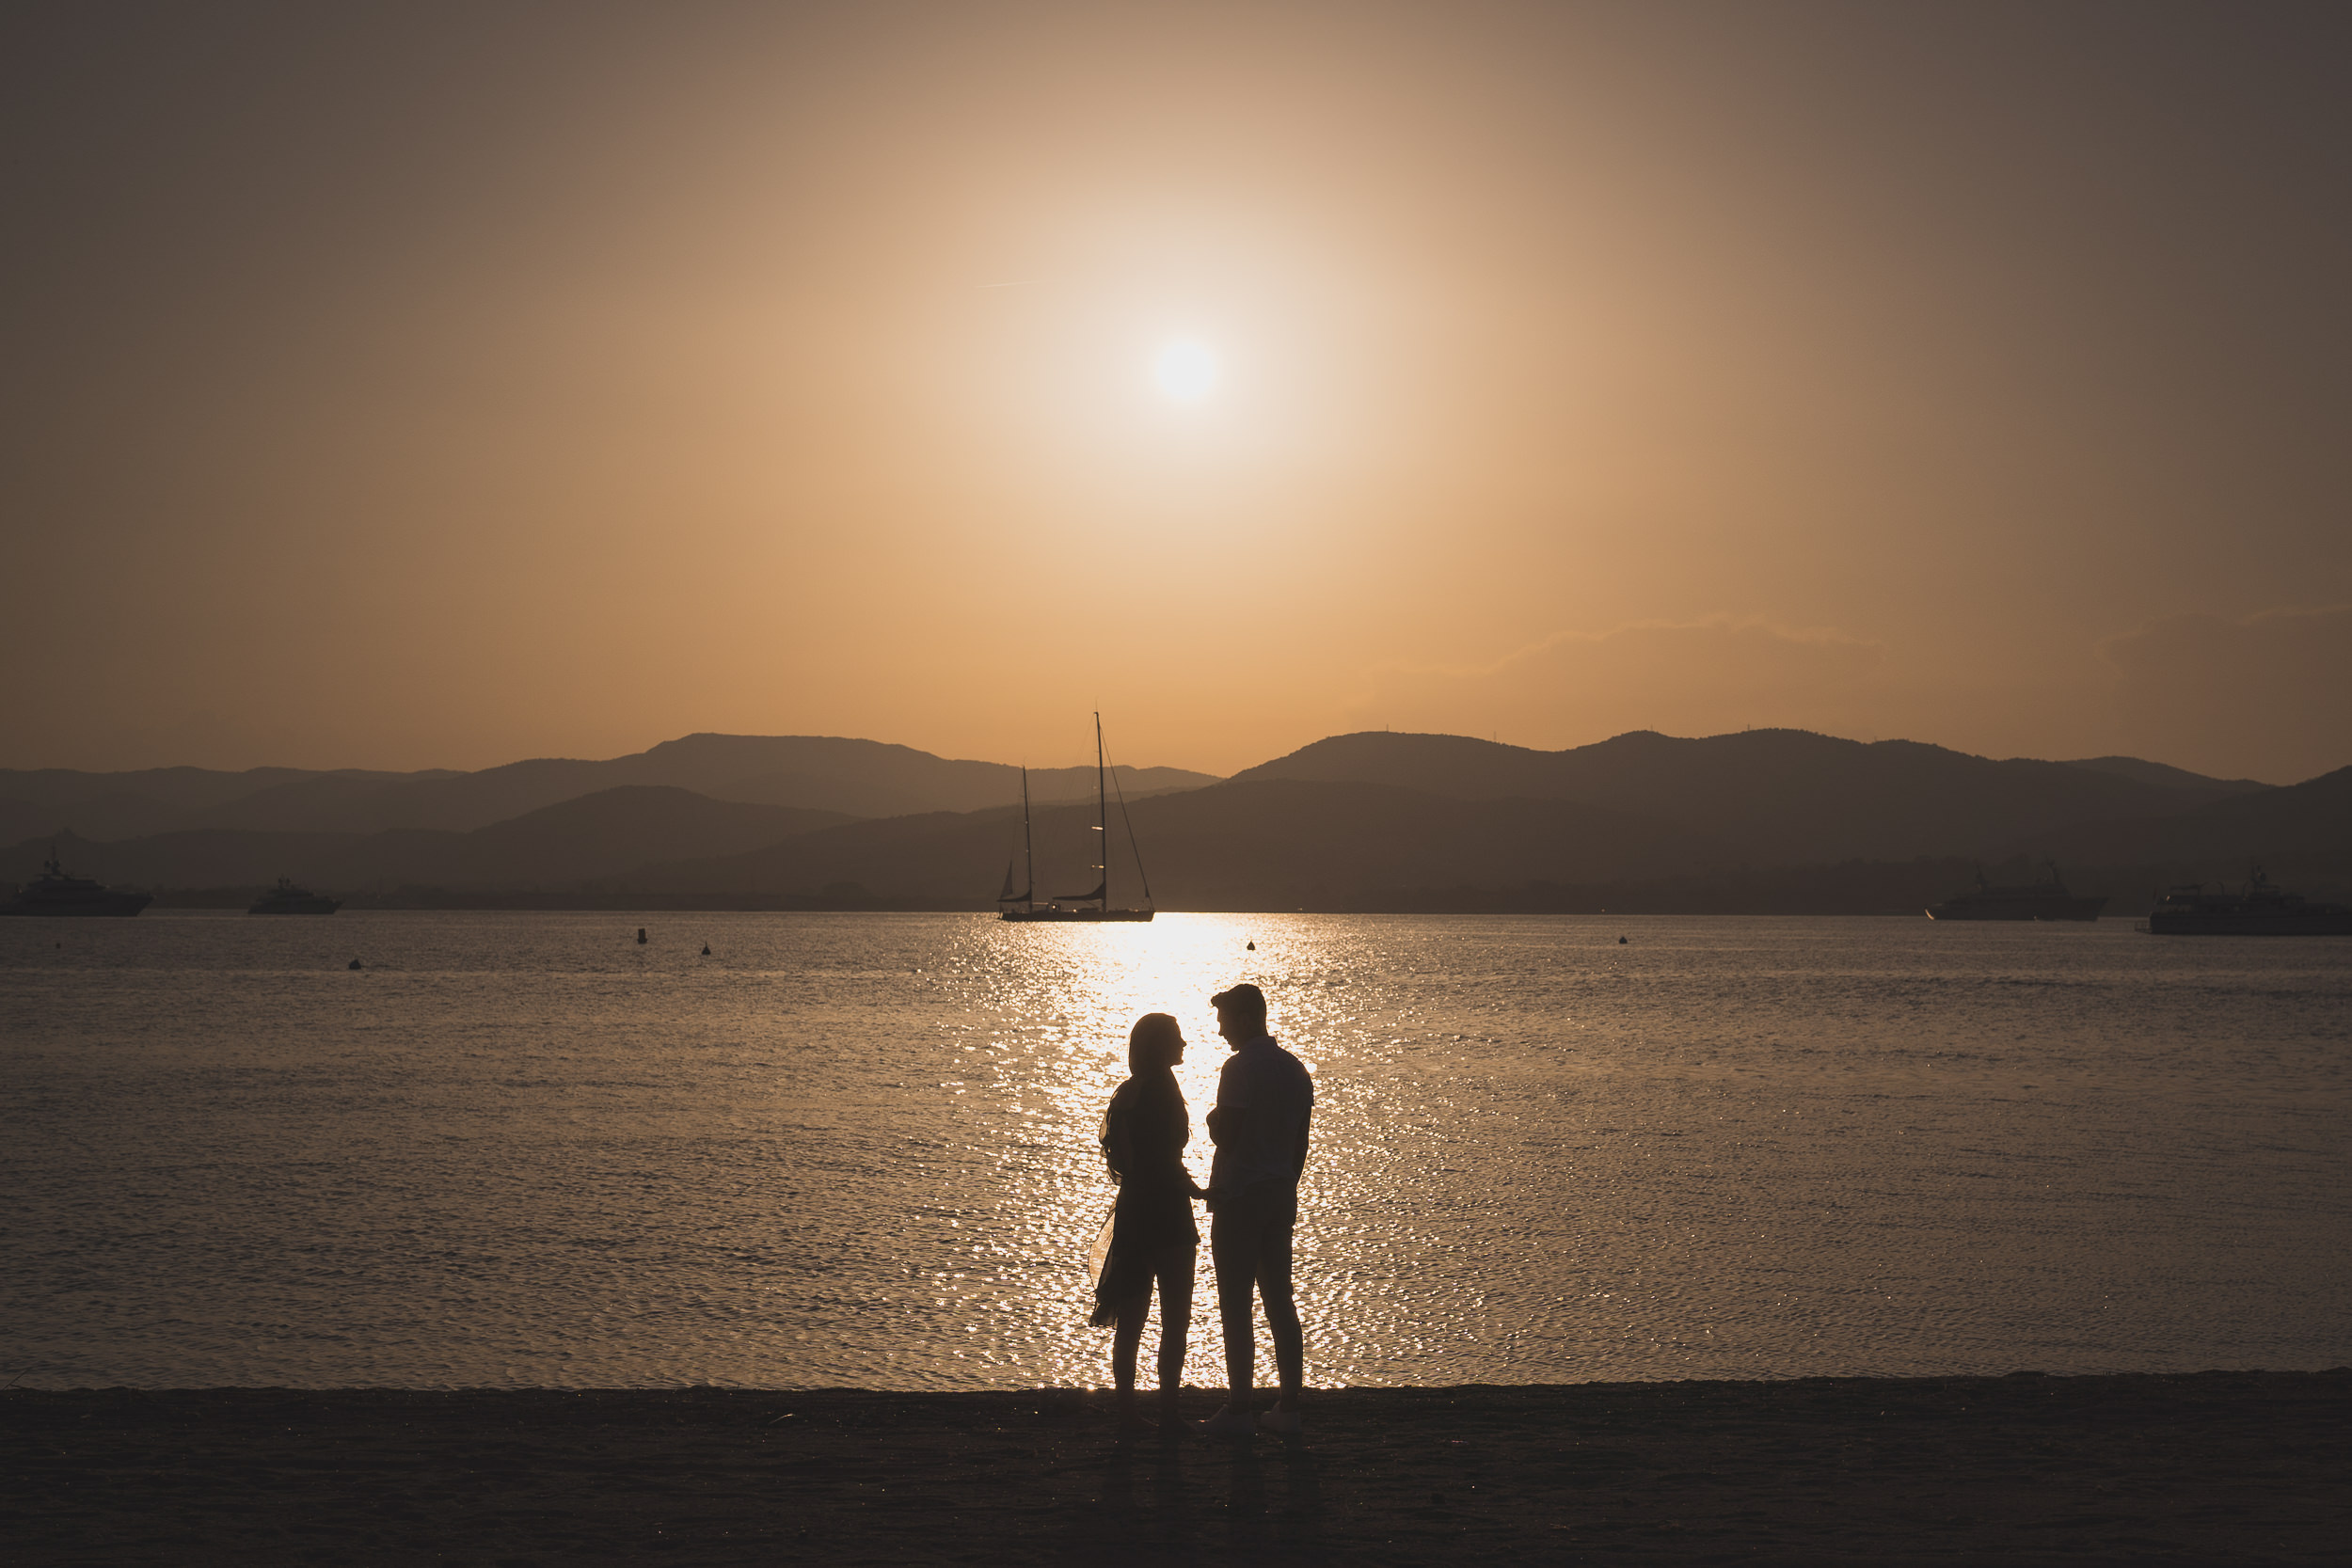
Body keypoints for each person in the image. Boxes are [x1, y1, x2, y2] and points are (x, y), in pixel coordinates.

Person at [1198, 983, 1314, 1439]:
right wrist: (1286, 1180)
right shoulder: (1295, 1070)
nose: (1221, 1029)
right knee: (1279, 1300)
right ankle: (1289, 1405)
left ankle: (1240, 1408)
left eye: (1225, 1019)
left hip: (1241, 1194)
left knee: (1235, 1303)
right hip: (1280, 1191)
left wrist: (1211, 1122)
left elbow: (1227, 1136)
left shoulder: (1238, 1068)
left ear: (1247, 1019)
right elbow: (1300, 1143)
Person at [1092, 1012, 1207, 1433]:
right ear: (1161, 1045)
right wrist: (1198, 1191)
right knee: (1175, 1316)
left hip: (1135, 1210)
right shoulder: (1161, 1091)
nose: (1184, 1044)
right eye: (1177, 1038)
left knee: (1132, 1318)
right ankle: (1169, 1412)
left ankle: (1127, 1413)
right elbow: (1165, 1160)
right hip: (1169, 1212)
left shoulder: (1128, 1092)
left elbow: (1126, 1159)